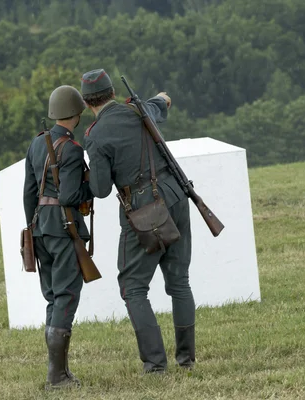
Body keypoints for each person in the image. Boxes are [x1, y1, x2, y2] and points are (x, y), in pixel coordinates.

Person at [81, 69, 196, 374]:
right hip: (176, 194)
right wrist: (163, 98)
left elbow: (102, 189)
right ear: (112, 94)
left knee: (133, 288)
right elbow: (161, 102)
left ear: (86, 102)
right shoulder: (138, 109)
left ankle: (156, 365)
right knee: (179, 281)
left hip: (145, 210)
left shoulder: (96, 135)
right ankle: (186, 359)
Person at [23, 85, 92, 390]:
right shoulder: (74, 149)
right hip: (65, 227)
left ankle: (58, 372)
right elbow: (69, 194)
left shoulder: (37, 144)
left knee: (53, 296)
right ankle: (57, 376)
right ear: (76, 113)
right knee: (65, 295)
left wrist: (32, 227)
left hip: (39, 226)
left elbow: (28, 192)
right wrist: (89, 189)